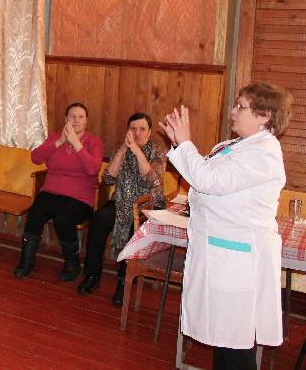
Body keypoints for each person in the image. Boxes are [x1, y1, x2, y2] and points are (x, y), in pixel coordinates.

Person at [160, 82, 291, 370]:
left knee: (235, 345)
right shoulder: (235, 146)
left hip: (238, 261)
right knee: (224, 339)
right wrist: (180, 145)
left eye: (241, 107)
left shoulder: (263, 153)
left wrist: (185, 144)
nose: (232, 111)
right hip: (223, 254)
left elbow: (208, 181)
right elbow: (205, 173)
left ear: (264, 115)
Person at [77, 112, 165, 305]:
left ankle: (123, 283)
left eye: (142, 129)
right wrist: (123, 150)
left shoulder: (157, 152)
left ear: (149, 132)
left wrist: (137, 152)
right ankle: (92, 275)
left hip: (146, 206)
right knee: (98, 219)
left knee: (134, 229)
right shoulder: (122, 149)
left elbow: (151, 181)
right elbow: (108, 179)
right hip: (121, 201)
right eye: (133, 129)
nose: (137, 133)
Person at [13, 102, 104, 281]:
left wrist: (76, 144)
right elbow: (36, 158)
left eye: (81, 117)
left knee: (63, 219)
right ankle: (26, 262)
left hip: (79, 198)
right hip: (52, 192)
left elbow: (93, 169)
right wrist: (60, 142)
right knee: (35, 213)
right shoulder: (55, 137)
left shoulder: (94, 142)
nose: (76, 120)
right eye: (72, 116)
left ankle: (72, 265)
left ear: (86, 120)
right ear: (65, 119)